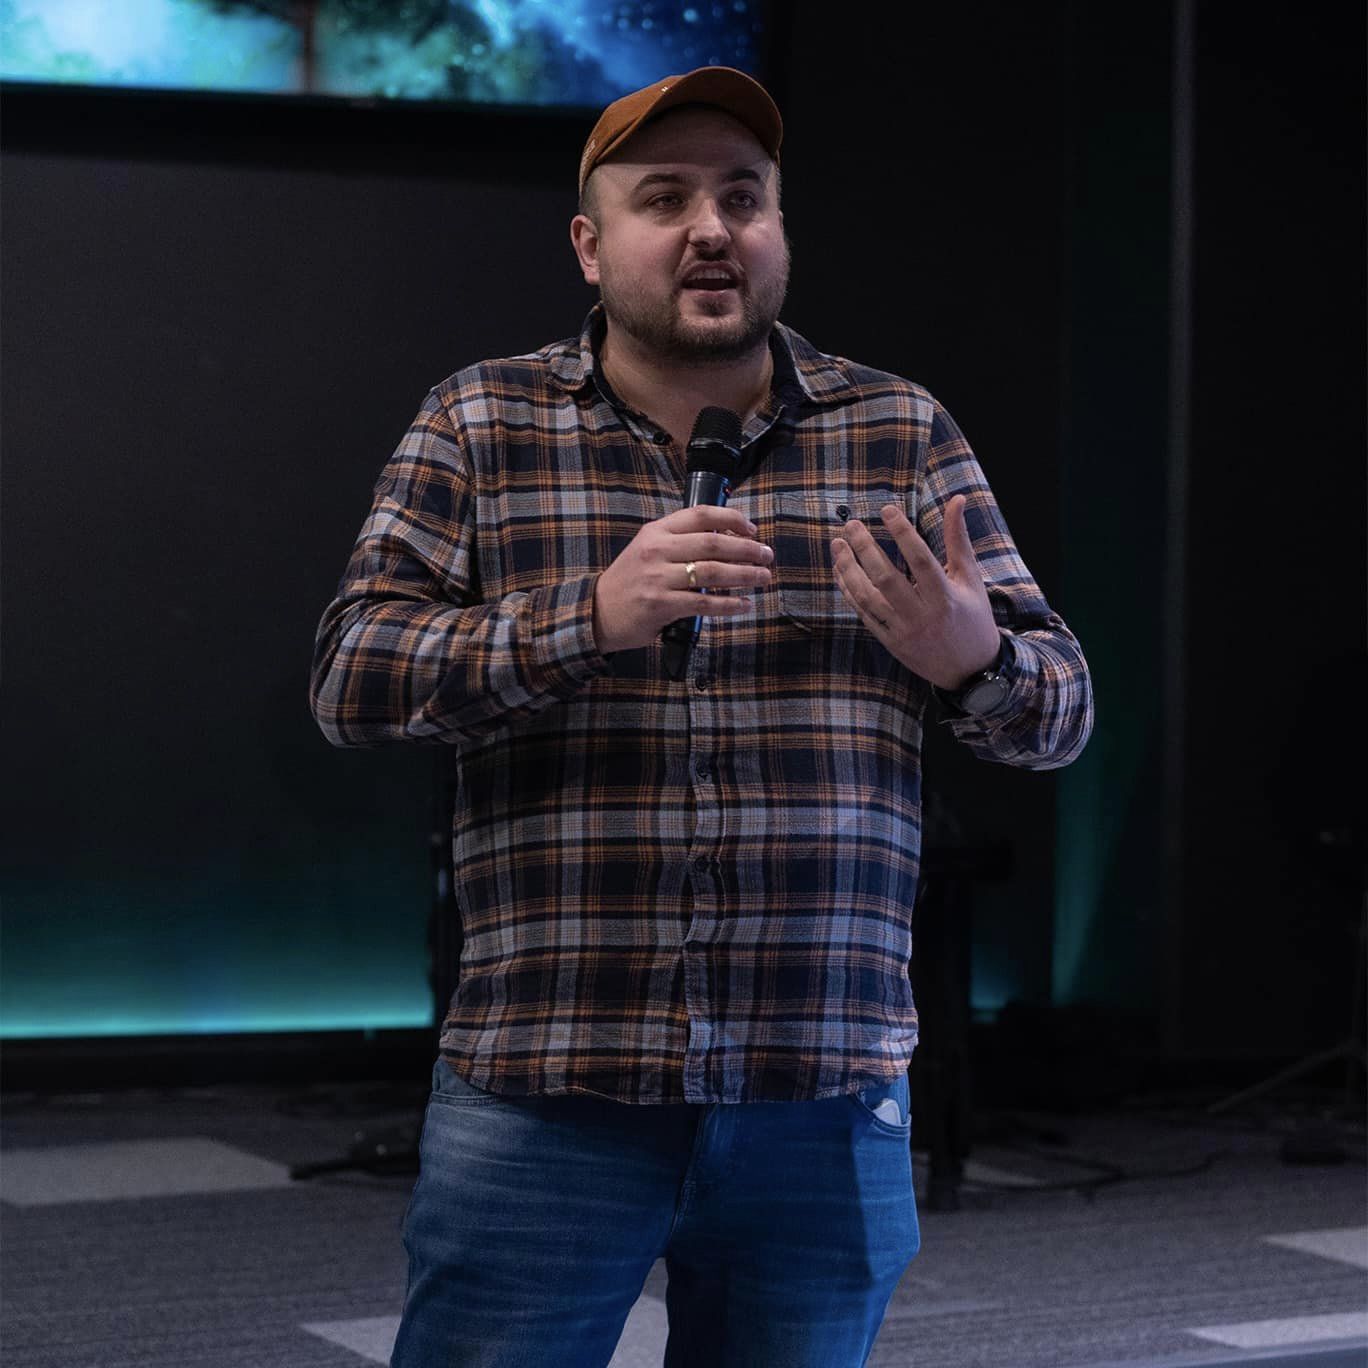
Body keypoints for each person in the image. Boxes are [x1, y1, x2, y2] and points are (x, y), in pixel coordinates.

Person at [310, 65, 1092, 1368]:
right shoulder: (482, 422)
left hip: (822, 1089)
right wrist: (589, 616)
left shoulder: (896, 430)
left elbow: (1060, 716)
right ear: (589, 244)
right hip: (551, 1084)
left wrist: (972, 659)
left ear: (780, 229)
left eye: (744, 197)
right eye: (664, 199)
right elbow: (351, 678)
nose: (711, 228)